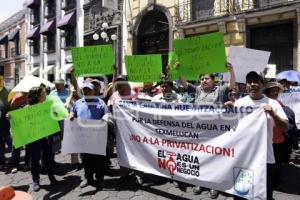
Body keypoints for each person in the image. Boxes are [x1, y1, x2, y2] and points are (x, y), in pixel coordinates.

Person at [179, 63, 236, 199]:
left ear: (213, 80)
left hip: (216, 133)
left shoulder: (220, 90)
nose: (203, 81)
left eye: (206, 79)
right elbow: (185, 83)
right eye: (202, 79)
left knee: (215, 159)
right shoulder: (198, 90)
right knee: (200, 157)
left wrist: (232, 70)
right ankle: (200, 182)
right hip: (199, 132)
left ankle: (214, 185)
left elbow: (231, 85)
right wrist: (180, 70)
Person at [234, 72, 288, 200]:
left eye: (256, 81)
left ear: (262, 85)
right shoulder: (238, 103)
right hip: (242, 159)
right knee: (241, 195)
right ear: (246, 86)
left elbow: (285, 127)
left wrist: (273, 114)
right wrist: (225, 112)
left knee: (263, 196)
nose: (253, 84)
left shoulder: (273, 103)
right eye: (250, 82)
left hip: (265, 160)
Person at [9, 86, 57, 192]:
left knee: (48, 158)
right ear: (38, 96)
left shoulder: (46, 106)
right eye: (43, 93)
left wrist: (54, 114)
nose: (45, 95)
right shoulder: (27, 108)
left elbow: (53, 117)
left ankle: (51, 177)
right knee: (35, 160)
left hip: (45, 137)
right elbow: (18, 118)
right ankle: (36, 181)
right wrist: (11, 117)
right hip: (33, 139)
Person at [70, 81, 108, 188]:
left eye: (89, 90)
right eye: (85, 90)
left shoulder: (100, 103)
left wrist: (102, 122)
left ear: (93, 91)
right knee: (86, 160)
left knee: (99, 160)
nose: (86, 91)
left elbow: (106, 115)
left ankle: (100, 179)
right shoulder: (78, 103)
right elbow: (73, 112)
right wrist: (71, 115)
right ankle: (88, 178)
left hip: (97, 137)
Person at [0, 75, 10, 170]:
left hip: (3, 122)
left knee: (2, 141)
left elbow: (9, 105)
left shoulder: (6, 92)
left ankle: (2, 159)